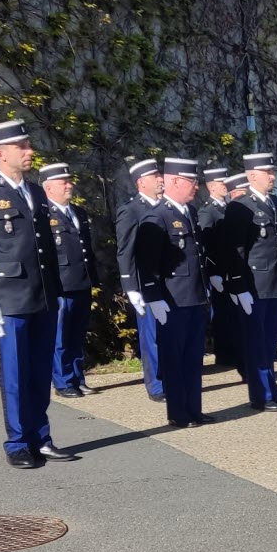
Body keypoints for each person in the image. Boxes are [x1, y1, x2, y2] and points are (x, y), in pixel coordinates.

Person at [0, 119, 73, 467]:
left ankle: (41, 436)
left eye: (28, 145)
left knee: (39, 371)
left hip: (43, 298)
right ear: (0, 153)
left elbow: (45, 251)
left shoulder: (35, 192)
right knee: (16, 373)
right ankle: (18, 442)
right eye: (22, 147)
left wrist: (56, 292)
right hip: (9, 300)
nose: (29, 151)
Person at [135, 158, 212, 427]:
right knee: (175, 359)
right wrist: (154, 298)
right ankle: (178, 413)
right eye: (192, 181)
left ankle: (194, 408)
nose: (197, 186)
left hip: (194, 296)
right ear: (176, 181)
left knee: (192, 358)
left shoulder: (188, 213)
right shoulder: (157, 217)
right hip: (172, 300)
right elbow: (146, 264)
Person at [220, 152, 277, 412]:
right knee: (255, 342)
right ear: (252, 176)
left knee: (270, 342)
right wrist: (239, 286)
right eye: (268, 173)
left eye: (272, 172)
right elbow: (235, 250)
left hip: (272, 282)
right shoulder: (241, 206)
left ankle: (272, 389)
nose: (273, 176)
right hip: (253, 284)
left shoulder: (272, 202)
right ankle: (260, 395)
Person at [40, 162, 101, 399]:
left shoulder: (78, 212)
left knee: (77, 334)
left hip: (81, 282)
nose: (69, 185)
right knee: (61, 337)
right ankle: (63, 381)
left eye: (69, 181)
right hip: (61, 285)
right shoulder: (44, 215)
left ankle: (78, 378)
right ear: (48, 188)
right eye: (63, 182)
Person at [116, 157, 166, 402]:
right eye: (155, 177)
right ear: (140, 183)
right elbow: (125, 250)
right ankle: (156, 384)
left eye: (161, 176)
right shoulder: (131, 210)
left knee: (169, 334)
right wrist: (130, 286)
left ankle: (173, 378)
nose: (160, 180)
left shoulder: (165, 207)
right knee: (153, 337)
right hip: (145, 284)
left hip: (168, 283)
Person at [197, 166, 243, 376]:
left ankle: (233, 350)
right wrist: (213, 272)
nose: (226, 186)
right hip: (219, 271)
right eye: (222, 183)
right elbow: (207, 243)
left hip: (232, 268)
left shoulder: (228, 207)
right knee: (223, 314)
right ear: (212, 186)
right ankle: (224, 354)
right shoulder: (207, 211)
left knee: (233, 314)